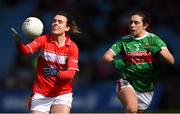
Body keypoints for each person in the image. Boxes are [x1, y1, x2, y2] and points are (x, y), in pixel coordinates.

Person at [102, 9, 174, 113]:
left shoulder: (154, 40)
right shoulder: (124, 41)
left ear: (145, 25)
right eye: (131, 22)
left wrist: (158, 51)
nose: (132, 25)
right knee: (132, 109)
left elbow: (171, 60)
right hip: (127, 81)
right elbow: (106, 57)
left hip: (147, 87)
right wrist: (115, 61)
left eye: (136, 22)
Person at [11, 11, 81, 114]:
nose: (55, 23)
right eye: (54, 21)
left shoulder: (72, 47)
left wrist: (56, 73)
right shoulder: (43, 40)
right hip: (41, 94)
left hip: (62, 93)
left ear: (67, 28)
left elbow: (70, 74)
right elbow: (26, 51)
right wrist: (18, 43)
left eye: (60, 22)